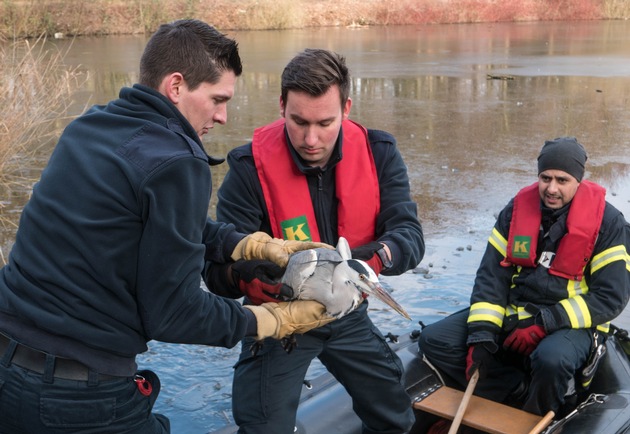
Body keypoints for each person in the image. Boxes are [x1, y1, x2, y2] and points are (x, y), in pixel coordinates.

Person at [0, 20, 334, 433]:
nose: (223, 116)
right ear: (176, 86)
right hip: (81, 397)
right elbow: (174, 313)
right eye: (217, 99)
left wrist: (250, 245)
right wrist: (271, 321)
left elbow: (151, 224)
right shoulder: (177, 161)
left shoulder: (89, 127)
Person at [207, 48, 424, 434]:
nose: (311, 139)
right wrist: (262, 279)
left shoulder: (380, 153)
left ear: (347, 107)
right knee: (262, 427)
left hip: (347, 311)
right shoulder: (246, 167)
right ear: (281, 106)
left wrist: (362, 267)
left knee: (394, 410)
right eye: (299, 121)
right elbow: (217, 273)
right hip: (279, 322)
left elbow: (409, 237)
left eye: (325, 122)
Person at [418, 137, 630, 424]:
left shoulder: (609, 224)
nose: (551, 188)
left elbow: (610, 297)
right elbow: (491, 278)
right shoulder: (516, 211)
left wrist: (545, 323)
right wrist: (481, 336)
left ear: (578, 180)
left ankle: (538, 416)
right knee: (434, 341)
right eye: (545, 178)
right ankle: (514, 386)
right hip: (517, 313)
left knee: (551, 360)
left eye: (562, 180)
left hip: (571, 326)